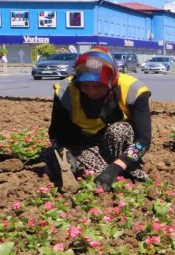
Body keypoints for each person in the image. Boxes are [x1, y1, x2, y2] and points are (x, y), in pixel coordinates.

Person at [42, 48, 152, 190]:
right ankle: (104, 172)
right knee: (55, 156)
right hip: (85, 145)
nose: (92, 91)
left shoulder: (133, 90)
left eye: (98, 86)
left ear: (112, 81)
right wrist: (64, 152)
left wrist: (115, 168)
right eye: (85, 86)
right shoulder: (65, 91)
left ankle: (122, 167)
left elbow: (143, 141)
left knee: (120, 130)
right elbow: (55, 133)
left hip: (118, 146)